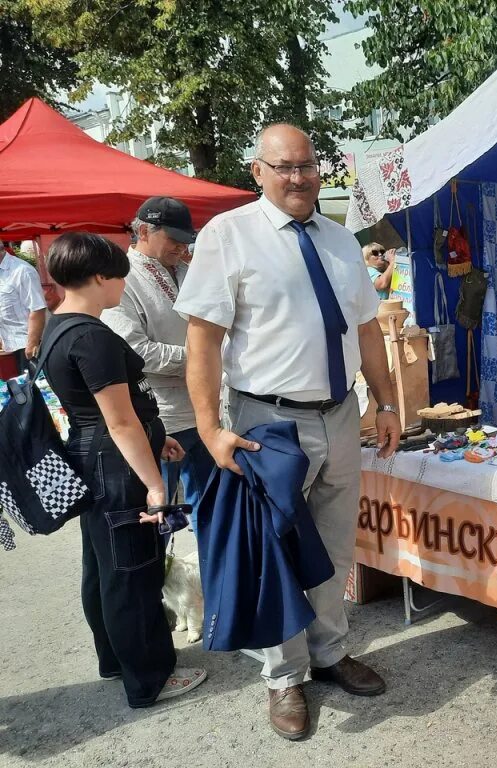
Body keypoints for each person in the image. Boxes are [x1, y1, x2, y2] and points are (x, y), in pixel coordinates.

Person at [175, 123, 401, 741]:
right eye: (286, 167)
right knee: (272, 552)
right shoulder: (229, 236)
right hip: (268, 423)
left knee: (332, 546)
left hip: (340, 413)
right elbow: (203, 339)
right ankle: (284, 677)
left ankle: (328, 653)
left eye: (308, 166)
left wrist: (384, 403)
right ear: (259, 171)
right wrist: (209, 428)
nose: (299, 177)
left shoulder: (339, 240)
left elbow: (367, 330)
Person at [39, 232, 207, 709]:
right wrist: (155, 485)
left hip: (97, 458)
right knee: (132, 571)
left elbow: (117, 416)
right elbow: (119, 419)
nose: (123, 285)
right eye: (118, 275)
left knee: (104, 568)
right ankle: (149, 676)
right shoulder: (90, 336)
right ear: (99, 277)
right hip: (116, 466)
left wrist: (159, 438)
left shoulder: (60, 326)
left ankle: (116, 659)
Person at [102, 197, 215, 526]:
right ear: (143, 231)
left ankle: (209, 576)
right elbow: (135, 349)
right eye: (173, 238)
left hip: (204, 407)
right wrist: (200, 358)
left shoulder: (189, 270)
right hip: (158, 414)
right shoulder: (123, 278)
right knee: (158, 515)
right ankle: (156, 577)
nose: (181, 247)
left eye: (185, 239)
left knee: (210, 511)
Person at [0, 240, 47, 372]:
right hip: (9, 345)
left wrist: (32, 344)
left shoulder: (23, 270)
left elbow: (37, 308)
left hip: (26, 346)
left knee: (31, 388)